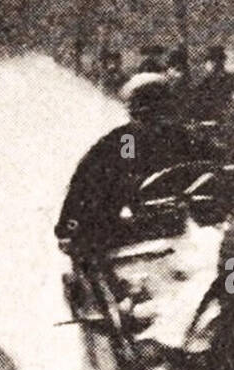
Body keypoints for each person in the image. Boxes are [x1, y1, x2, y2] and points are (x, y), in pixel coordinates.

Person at [55, 72, 220, 255]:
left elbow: (216, 167)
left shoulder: (186, 138)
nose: (158, 123)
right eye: (148, 114)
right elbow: (91, 182)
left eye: (162, 112)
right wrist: (70, 226)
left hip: (190, 229)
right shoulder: (127, 141)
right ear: (136, 112)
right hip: (134, 235)